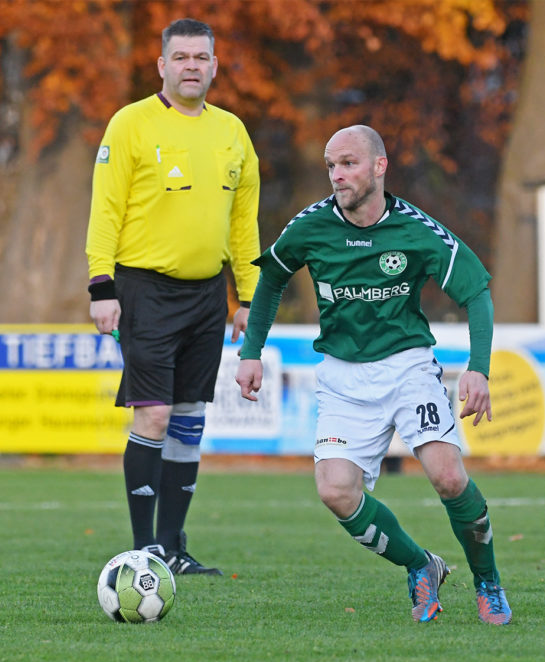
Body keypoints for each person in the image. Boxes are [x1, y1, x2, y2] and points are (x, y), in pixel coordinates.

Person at [235, 125, 511, 625]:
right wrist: (251, 351)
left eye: (348, 163)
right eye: (330, 166)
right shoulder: (310, 226)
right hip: (342, 376)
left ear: (379, 166)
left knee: (448, 477)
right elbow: (272, 277)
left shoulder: (416, 230)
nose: (337, 175)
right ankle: (420, 565)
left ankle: (487, 582)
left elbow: (476, 293)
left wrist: (479, 369)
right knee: (335, 491)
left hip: (407, 366)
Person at [85, 18, 260, 575]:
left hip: (209, 294)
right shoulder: (131, 124)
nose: (191, 66)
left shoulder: (233, 131)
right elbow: (105, 209)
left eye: (201, 57)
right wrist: (100, 285)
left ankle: (174, 549)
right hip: (143, 289)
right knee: (154, 414)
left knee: (188, 419)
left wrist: (249, 299)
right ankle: (144, 552)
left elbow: (244, 226)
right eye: (180, 57)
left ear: (214, 65)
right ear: (162, 65)